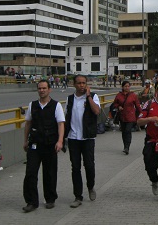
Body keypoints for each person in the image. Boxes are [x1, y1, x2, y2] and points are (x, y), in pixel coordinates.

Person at [22, 79, 65, 212]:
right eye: (40, 88)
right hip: (35, 144)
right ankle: (31, 201)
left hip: (50, 144)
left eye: (44, 88)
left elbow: (61, 124)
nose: (42, 90)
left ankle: (50, 199)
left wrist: (60, 141)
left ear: (49, 89)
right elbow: (28, 123)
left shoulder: (56, 106)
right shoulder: (32, 105)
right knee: (30, 173)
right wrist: (25, 140)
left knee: (50, 173)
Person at [65, 74, 101, 208]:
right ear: (74, 84)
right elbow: (66, 117)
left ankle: (90, 186)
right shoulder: (69, 99)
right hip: (73, 138)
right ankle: (78, 196)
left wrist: (89, 97)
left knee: (89, 165)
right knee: (75, 168)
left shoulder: (93, 96)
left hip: (87, 138)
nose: (81, 85)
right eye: (79, 83)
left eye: (83, 83)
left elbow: (96, 111)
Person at [112, 80, 142, 155]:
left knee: (128, 131)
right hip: (122, 116)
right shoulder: (119, 95)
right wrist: (118, 107)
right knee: (124, 131)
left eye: (128, 86)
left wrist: (141, 114)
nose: (127, 88)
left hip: (131, 116)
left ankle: (127, 147)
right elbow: (115, 103)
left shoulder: (133, 95)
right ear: (122, 87)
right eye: (125, 86)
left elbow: (138, 106)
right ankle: (125, 146)